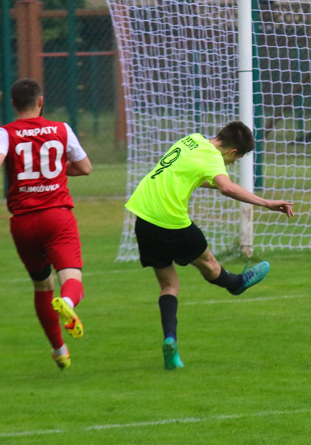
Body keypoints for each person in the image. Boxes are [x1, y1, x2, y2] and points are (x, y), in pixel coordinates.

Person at [125, 121, 294, 370]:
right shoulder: (214, 158)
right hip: (170, 221)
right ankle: (236, 284)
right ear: (233, 152)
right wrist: (267, 203)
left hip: (142, 215)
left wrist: (214, 182)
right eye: (235, 161)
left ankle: (170, 340)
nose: (231, 165)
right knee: (211, 267)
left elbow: (185, 173)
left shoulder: (191, 140)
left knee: (169, 285)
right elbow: (225, 186)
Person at [0, 78, 92, 369]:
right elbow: (84, 167)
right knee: (72, 281)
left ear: (13, 104)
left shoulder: (3, 133)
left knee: (43, 285)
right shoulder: (62, 129)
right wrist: (54, 173)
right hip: (57, 217)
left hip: (24, 223)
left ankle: (59, 351)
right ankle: (67, 305)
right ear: (41, 101)